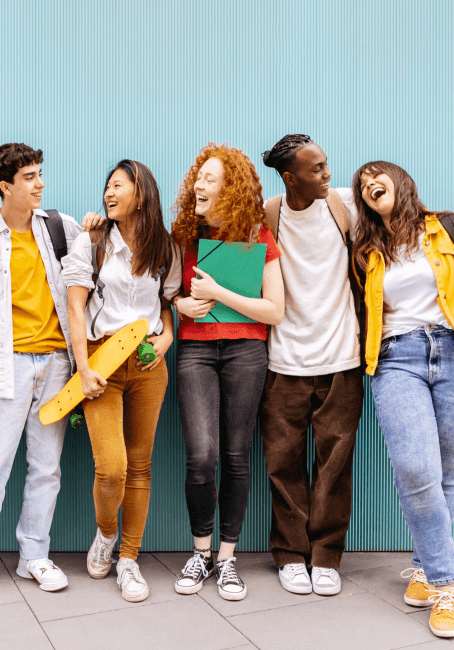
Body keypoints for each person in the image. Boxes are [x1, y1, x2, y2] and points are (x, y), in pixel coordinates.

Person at [352, 160, 454, 639]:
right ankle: (446, 584)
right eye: (361, 185)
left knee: (444, 468)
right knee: (416, 470)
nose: (367, 183)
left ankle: (422, 568)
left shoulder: (452, 229)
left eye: (376, 175)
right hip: (398, 358)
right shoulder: (366, 251)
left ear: (401, 182)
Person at [0, 143, 84, 602]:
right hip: (4, 368)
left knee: (46, 469)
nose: (39, 183)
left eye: (40, 173)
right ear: (5, 187)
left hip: (57, 365)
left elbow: (87, 286)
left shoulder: (61, 229)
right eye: (29, 177)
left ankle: (34, 556)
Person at [62, 160, 180, 602]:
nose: (109, 194)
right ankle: (107, 535)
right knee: (111, 467)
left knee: (141, 465)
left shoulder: (164, 247)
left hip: (149, 362)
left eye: (118, 186)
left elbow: (167, 304)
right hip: (101, 362)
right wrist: (83, 366)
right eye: (107, 187)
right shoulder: (91, 240)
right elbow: (75, 308)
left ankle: (129, 559)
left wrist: (167, 337)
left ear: (141, 193)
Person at [169, 143, 284, 601]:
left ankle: (227, 558)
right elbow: (163, 296)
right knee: (201, 456)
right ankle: (200, 552)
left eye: (210, 178)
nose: (198, 183)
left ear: (230, 188)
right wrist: (180, 303)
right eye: (198, 175)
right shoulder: (183, 234)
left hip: (247, 353)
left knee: (237, 456)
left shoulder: (259, 237)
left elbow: (274, 311)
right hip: (196, 351)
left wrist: (219, 292)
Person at [258, 134, 364, 596]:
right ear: (290, 177)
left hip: (342, 359)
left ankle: (325, 557)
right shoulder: (268, 213)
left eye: (326, 165)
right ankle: (289, 555)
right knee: (283, 466)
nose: (326, 174)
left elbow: (409, 216)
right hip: (283, 362)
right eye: (317, 168)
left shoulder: (343, 205)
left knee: (334, 465)